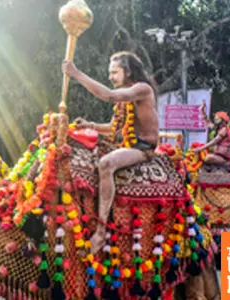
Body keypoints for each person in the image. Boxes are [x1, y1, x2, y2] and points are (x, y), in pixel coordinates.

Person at [62, 51, 158, 253]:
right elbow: (114, 126)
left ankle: (100, 231)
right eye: (110, 73)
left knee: (105, 164)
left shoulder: (141, 89)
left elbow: (108, 95)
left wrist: (77, 74)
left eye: (115, 72)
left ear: (128, 71)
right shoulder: (125, 95)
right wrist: (90, 125)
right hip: (124, 144)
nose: (110, 77)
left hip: (142, 147)